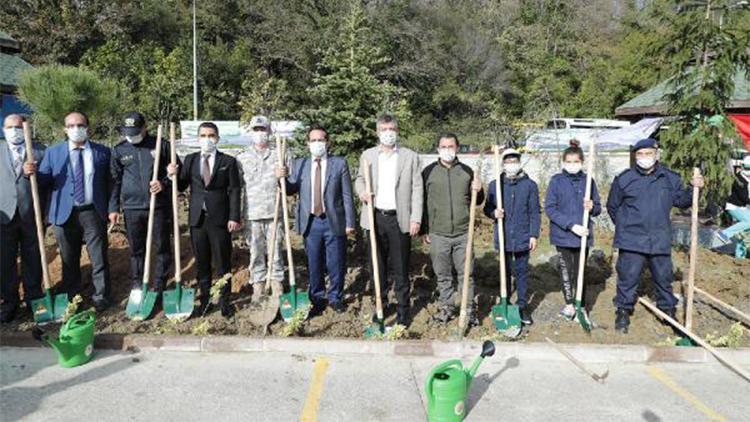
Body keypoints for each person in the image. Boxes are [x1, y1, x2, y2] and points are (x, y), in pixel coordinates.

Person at [606, 138, 704, 333]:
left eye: (648, 153)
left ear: (657, 154)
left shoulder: (670, 178)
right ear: (635, 157)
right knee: (628, 277)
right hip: (632, 239)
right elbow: (612, 206)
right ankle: (623, 312)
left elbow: (683, 201)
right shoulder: (624, 179)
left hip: (659, 238)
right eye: (640, 154)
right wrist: (625, 226)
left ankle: (668, 311)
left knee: (664, 277)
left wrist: (696, 189)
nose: (644, 158)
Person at [24, 112, 116, 312]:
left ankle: (101, 296)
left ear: (88, 127)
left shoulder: (102, 152)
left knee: (98, 257)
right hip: (64, 213)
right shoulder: (54, 152)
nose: (76, 128)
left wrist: (113, 208)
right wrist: (31, 173)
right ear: (65, 129)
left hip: (93, 211)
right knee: (69, 258)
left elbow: (111, 182)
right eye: (71, 125)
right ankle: (73, 298)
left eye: (80, 124)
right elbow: (43, 181)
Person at [276, 124, 356, 316]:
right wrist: (281, 178)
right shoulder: (300, 164)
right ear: (307, 143)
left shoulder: (339, 164)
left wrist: (350, 223)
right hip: (311, 222)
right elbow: (290, 189)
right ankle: (317, 298)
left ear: (327, 142)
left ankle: (336, 297)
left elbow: (347, 195)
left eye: (321, 140)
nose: (317, 144)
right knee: (314, 263)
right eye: (313, 140)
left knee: (336, 262)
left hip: (333, 220)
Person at [355, 114, 422, 327]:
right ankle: (381, 308)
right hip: (374, 219)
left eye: (391, 129)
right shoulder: (368, 155)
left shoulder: (409, 157)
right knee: (377, 267)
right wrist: (362, 192)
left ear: (397, 131)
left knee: (401, 269)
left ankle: (403, 312)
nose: (388, 133)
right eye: (384, 129)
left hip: (399, 219)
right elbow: (359, 179)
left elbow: (417, 189)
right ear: (377, 132)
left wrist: (416, 218)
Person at [168, 122, 241, 317]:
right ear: (198, 138)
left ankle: (225, 301)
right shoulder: (191, 160)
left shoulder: (228, 161)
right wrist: (172, 173)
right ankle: (205, 300)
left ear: (217, 138)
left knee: (223, 262)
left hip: (220, 219)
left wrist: (234, 216)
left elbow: (234, 190)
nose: (207, 139)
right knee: (202, 263)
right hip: (197, 219)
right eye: (203, 135)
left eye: (210, 135)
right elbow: (181, 185)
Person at [421, 133, 484, 325]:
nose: (447, 150)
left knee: (467, 274)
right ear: (437, 149)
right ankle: (446, 308)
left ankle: (469, 309)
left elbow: (477, 201)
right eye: (443, 146)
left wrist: (479, 189)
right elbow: (422, 202)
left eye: (451, 146)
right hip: (438, 233)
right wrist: (425, 229)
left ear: (457, 148)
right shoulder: (428, 172)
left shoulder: (466, 171)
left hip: (463, 233)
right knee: (443, 275)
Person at [110, 112, 173, 297]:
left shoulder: (161, 145)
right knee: (136, 249)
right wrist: (114, 207)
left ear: (145, 128)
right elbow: (115, 181)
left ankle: (160, 284)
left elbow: (176, 171)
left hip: (159, 206)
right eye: (128, 132)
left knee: (162, 246)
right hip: (132, 208)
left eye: (136, 131)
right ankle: (138, 283)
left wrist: (163, 183)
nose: (132, 135)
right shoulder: (119, 150)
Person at [544, 141, 601, 320]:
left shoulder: (588, 181)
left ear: (582, 162)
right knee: (566, 271)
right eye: (568, 161)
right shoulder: (556, 181)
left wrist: (592, 206)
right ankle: (569, 304)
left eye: (575, 162)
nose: (572, 165)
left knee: (581, 271)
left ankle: (580, 304)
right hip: (563, 235)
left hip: (583, 235)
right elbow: (550, 209)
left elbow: (598, 208)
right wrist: (570, 225)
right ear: (563, 162)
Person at [483, 148, 541, 326]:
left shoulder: (529, 185)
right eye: (508, 162)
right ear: (503, 164)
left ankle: (523, 305)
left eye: (514, 161)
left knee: (522, 272)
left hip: (523, 235)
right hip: (504, 235)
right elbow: (487, 208)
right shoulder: (496, 185)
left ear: (519, 162)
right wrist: (494, 213)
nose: (511, 165)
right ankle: (505, 301)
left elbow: (534, 212)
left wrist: (533, 234)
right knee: (504, 271)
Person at [236, 115, 288, 299]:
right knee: (256, 251)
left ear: (269, 131)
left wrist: (285, 175)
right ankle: (258, 284)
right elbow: (237, 187)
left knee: (275, 251)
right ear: (251, 132)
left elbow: (290, 185)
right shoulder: (242, 158)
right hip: (252, 213)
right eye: (256, 130)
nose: (260, 133)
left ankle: (276, 283)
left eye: (263, 129)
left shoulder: (280, 154)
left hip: (275, 211)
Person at [0, 114, 45, 322]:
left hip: (31, 214)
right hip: (4, 215)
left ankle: (33, 298)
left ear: (25, 128)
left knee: (32, 257)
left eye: (18, 127)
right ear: (3, 129)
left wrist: (35, 174)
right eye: (9, 127)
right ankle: (10, 302)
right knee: (5, 260)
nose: (14, 131)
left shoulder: (40, 151)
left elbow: (51, 181)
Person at [716, 155, 750, 257]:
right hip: (734, 207)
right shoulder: (739, 180)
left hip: (742, 207)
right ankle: (725, 233)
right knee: (749, 221)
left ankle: (740, 256)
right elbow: (744, 197)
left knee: (745, 232)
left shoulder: (747, 180)